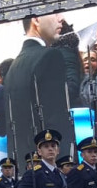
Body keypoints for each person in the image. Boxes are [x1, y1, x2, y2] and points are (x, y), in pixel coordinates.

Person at [4, 12, 70, 158]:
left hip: (23, 160)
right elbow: (56, 116)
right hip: (48, 161)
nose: (61, 19)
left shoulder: (13, 67)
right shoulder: (51, 56)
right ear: (36, 19)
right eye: (55, 13)